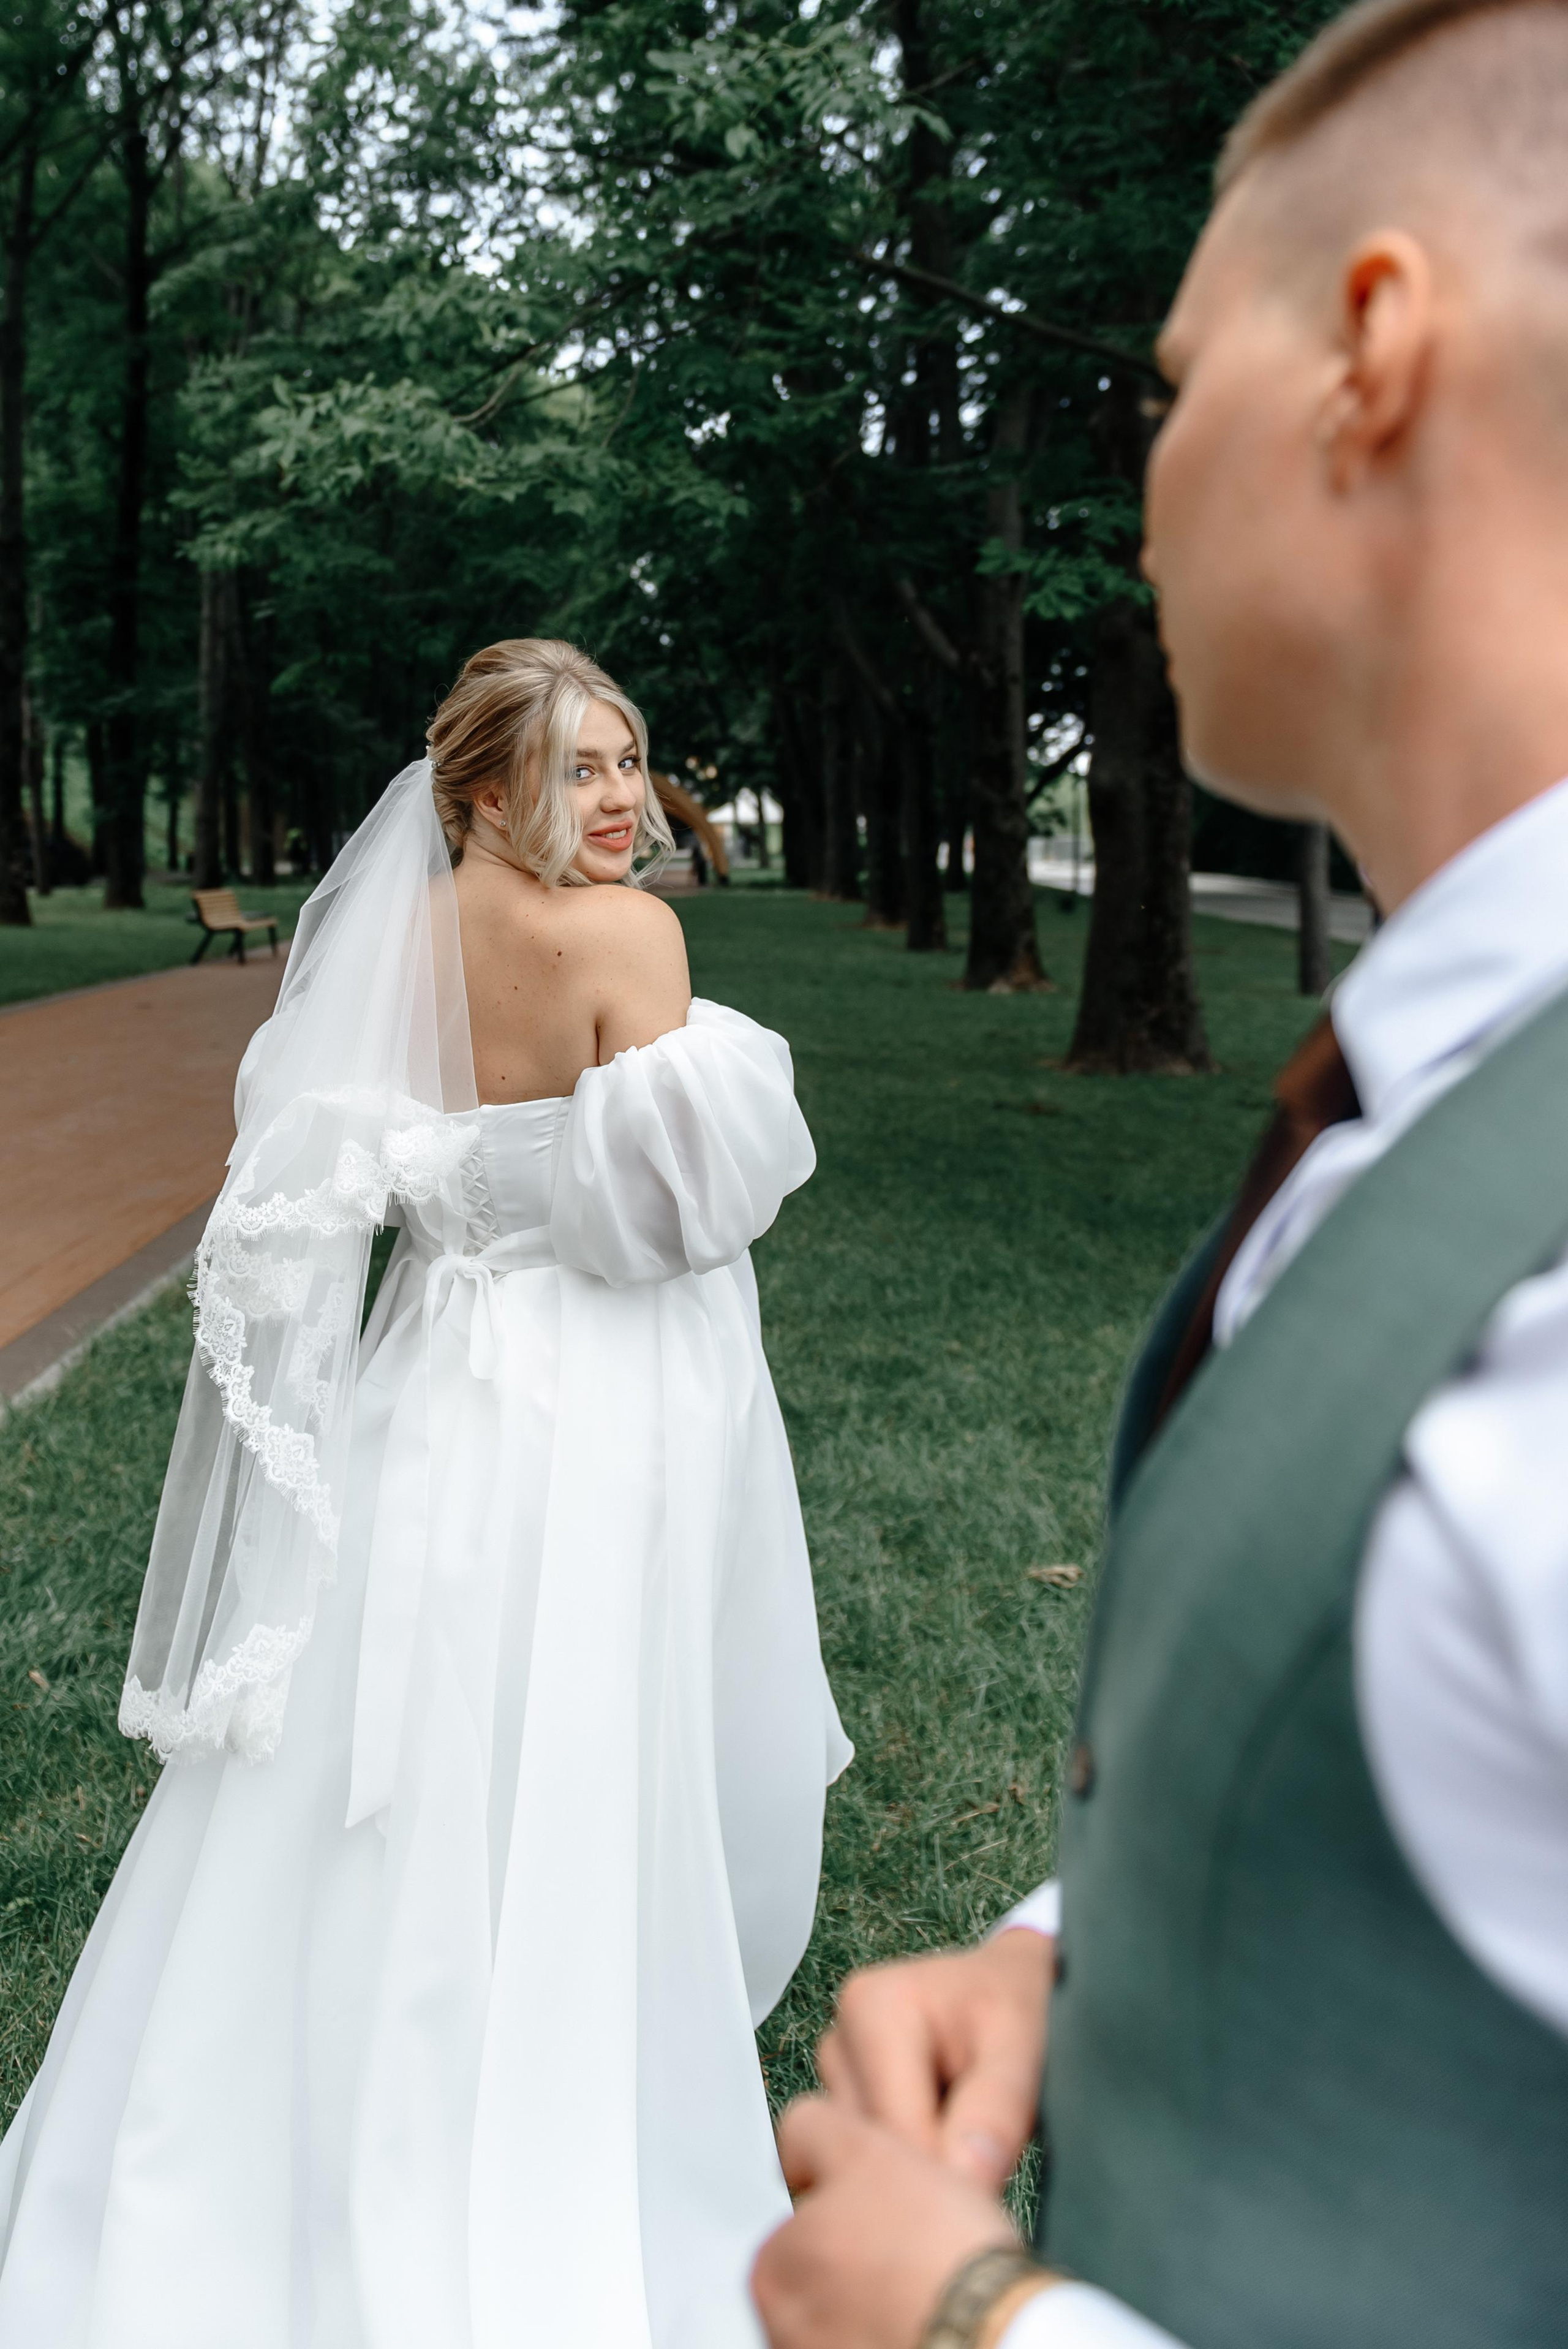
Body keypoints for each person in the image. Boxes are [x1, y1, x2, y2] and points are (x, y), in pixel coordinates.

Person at [751, 3, 1568, 2345]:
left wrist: (971, 2327)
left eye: (1176, 383)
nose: (1147, 475)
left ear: (1371, 356)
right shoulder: (1442, 1077)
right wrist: (1080, 1945)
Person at [0, 637, 852, 2348]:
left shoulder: (393, 946)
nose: (619, 800)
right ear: (481, 787)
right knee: (581, 1723)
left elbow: (334, 1191)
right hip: (603, 1389)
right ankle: (546, 2103)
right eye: (576, 768)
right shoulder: (628, 939)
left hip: (430, 1381)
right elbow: (677, 1214)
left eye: (628, 760)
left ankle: (289, 2120)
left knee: (377, 1745)